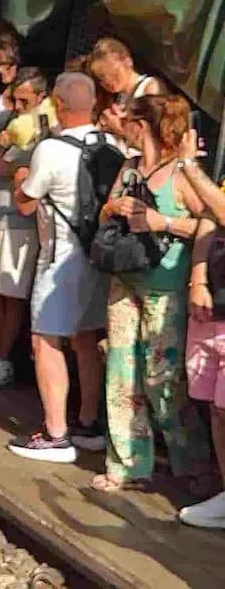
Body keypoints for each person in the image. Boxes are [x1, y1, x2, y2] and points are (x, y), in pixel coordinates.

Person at [90, 95, 210, 492]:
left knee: (163, 379)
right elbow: (104, 211)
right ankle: (127, 464)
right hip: (125, 280)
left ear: (142, 126)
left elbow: (207, 226)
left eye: (129, 120)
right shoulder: (128, 168)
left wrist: (162, 221)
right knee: (120, 373)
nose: (122, 124)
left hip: (166, 286)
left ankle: (191, 462)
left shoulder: (181, 172)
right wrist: (113, 210)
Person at [7, 72, 108, 462]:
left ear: (60, 105)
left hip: (60, 258)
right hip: (97, 257)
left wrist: (20, 179)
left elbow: (27, 202)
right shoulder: (110, 143)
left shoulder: (50, 149)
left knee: (45, 340)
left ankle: (55, 434)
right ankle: (88, 423)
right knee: (85, 337)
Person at [0, 67, 52, 386]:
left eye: (24, 100)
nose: (17, 107)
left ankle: (4, 357)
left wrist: (4, 160)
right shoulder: (15, 126)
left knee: (11, 289)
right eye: (14, 100)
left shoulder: (45, 130)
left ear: (41, 98)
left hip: (21, 220)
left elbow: (11, 165)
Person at [179, 130, 225, 527]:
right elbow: (210, 221)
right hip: (216, 299)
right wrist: (198, 276)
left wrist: (188, 166)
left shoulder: (194, 170)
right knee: (216, 406)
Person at [89, 38, 164, 152]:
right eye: (101, 77)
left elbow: (154, 142)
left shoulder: (151, 87)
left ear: (127, 62)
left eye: (112, 72)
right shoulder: (120, 97)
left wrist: (118, 128)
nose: (108, 80)